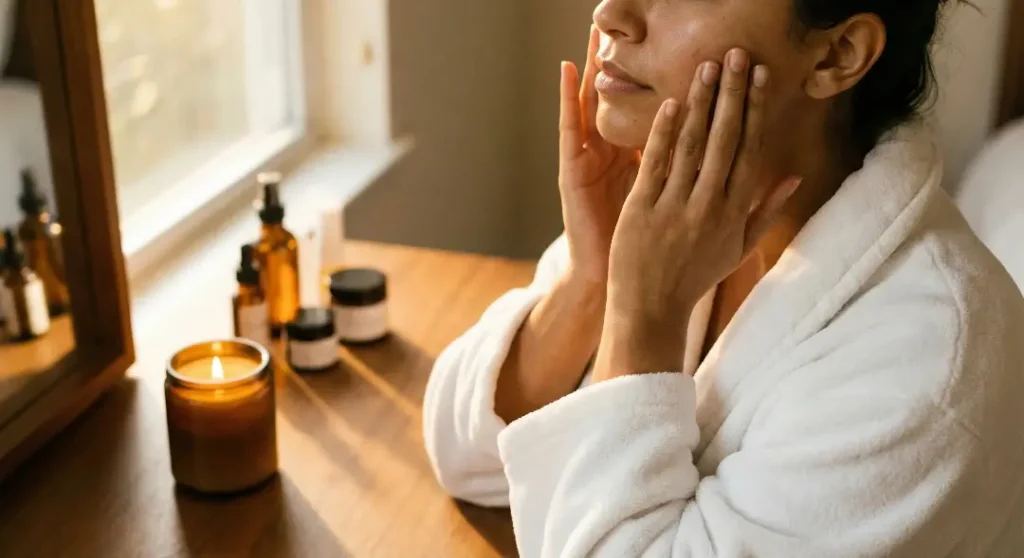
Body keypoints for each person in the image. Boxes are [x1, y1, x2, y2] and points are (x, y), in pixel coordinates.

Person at [424, 0, 1024, 555]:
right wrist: (593, 282)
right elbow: (464, 454)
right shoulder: (686, 213)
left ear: (837, 54)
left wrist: (641, 319)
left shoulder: (928, 367)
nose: (612, 14)